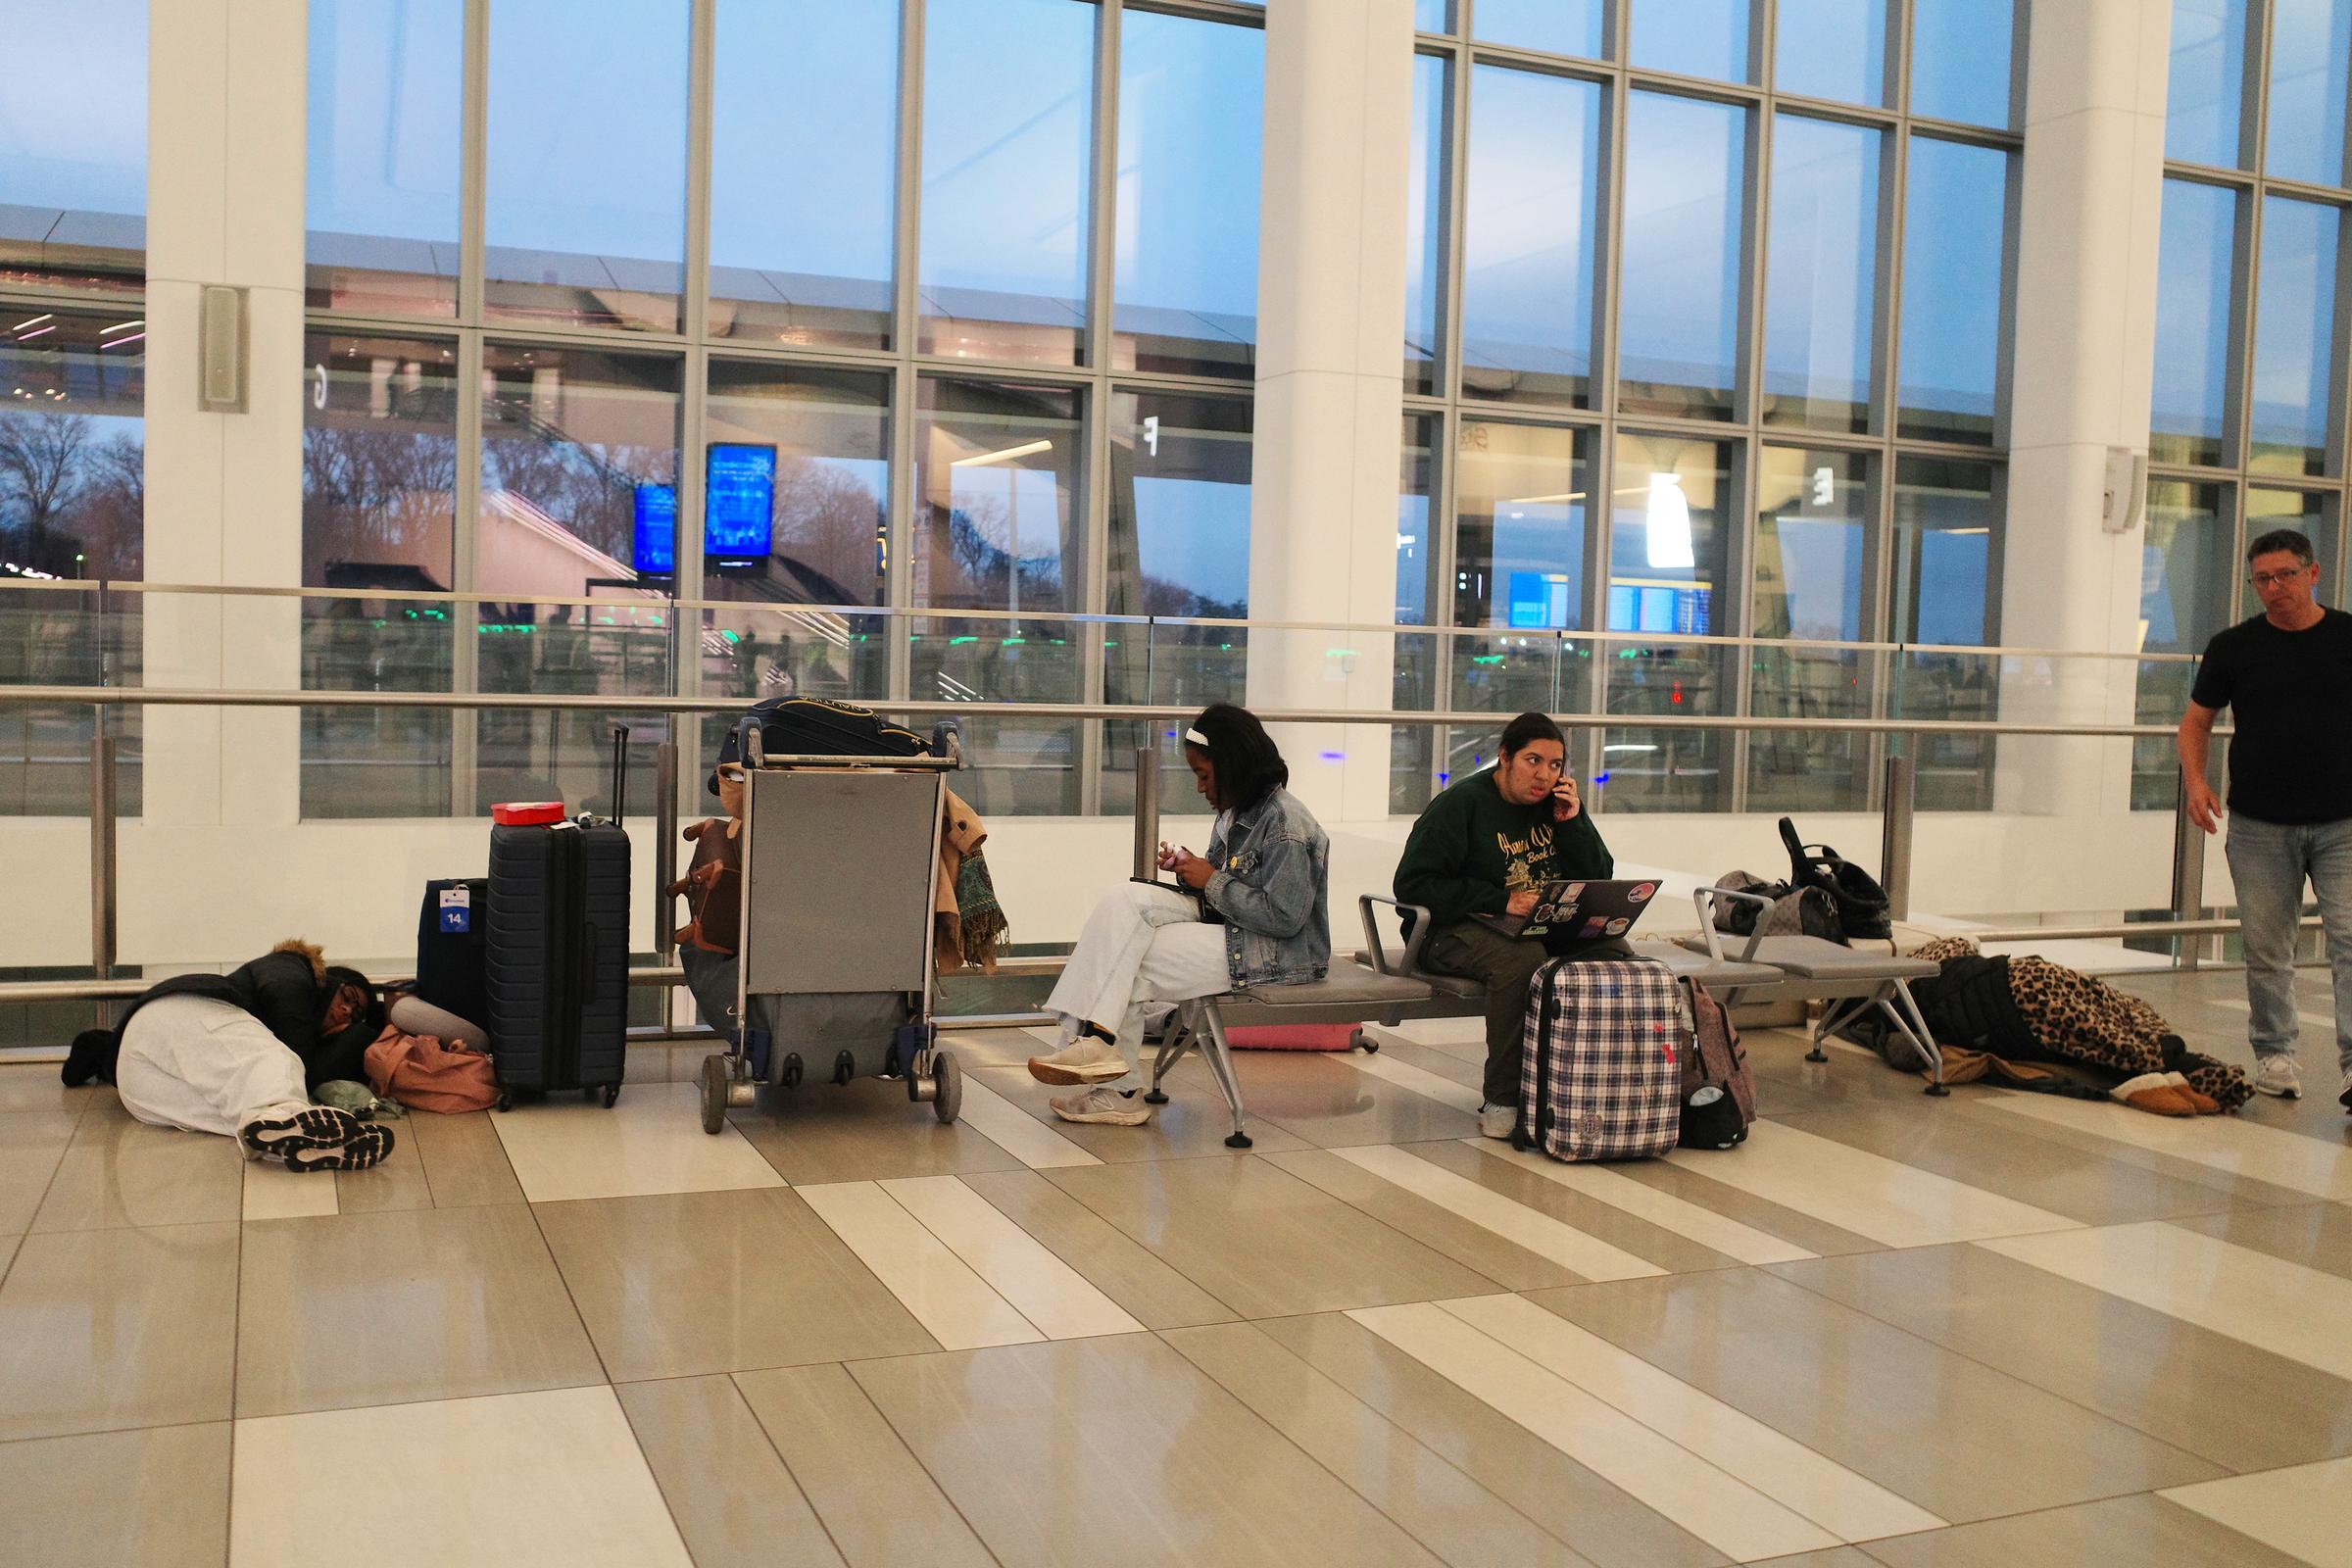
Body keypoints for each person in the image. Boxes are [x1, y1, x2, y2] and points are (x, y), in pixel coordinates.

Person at [1025, 704, 1330, 1126]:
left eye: (1204, 775)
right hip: (1236, 930)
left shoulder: (1285, 824)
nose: (1200, 787)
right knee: (1124, 898)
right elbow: (1231, 885)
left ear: (1234, 766)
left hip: (1277, 952)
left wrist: (1211, 880)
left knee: (1130, 958)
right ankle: (1097, 1050)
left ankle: (1109, 1071)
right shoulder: (1238, 811)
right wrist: (1194, 871)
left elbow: (1285, 918)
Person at [2179, 526, 2352, 1110]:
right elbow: (2195, 722)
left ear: (2313, 573)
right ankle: (2275, 1055)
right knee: (2265, 947)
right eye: (2262, 580)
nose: (2275, 588)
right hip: (2258, 824)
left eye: (2285, 576)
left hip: (2344, 823)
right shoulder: (2234, 646)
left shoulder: (2349, 636)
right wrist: (2197, 782)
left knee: (2350, 942)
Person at [1395, 710, 1623, 1139]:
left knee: (1614, 951)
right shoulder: (1461, 805)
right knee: (1521, 960)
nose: (1543, 775)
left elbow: (1600, 878)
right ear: (1505, 758)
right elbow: (1414, 885)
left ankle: (1600, 1087)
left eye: (1555, 765)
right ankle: (1503, 1097)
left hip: (1534, 926)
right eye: (1532, 760)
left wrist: (1573, 825)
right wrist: (1502, 900)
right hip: (1447, 932)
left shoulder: (1557, 807)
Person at [60, 940, 396, 1171]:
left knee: (241, 1115)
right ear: (329, 979)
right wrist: (356, 1036)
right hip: (181, 1011)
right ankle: (299, 1124)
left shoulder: (289, 1007)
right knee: (274, 1063)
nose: (345, 1011)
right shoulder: (293, 969)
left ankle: (299, 1143)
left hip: (136, 1085)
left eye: (354, 1014)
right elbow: (303, 1063)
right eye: (348, 996)